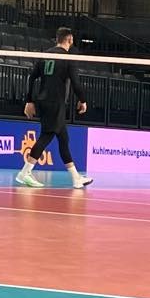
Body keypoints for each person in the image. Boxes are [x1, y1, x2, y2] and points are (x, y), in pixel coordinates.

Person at [18, 27, 93, 190]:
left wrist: (29, 101)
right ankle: (25, 172)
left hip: (44, 101)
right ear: (70, 39)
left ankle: (76, 178)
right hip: (55, 103)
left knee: (63, 138)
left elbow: (31, 77)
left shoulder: (46, 55)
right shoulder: (67, 58)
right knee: (47, 136)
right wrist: (83, 100)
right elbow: (76, 82)